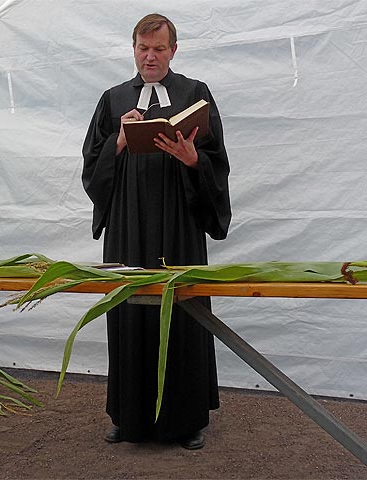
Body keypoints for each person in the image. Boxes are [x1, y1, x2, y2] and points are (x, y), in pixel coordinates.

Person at [82, 13, 231, 450]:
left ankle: (187, 421)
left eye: (159, 49)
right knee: (129, 314)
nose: (151, 56)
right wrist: (121, 141)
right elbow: (92, 168)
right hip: (128, 228)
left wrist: (192, 160)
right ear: (133, 49)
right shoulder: (112, 100)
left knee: (183, 316)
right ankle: (128, 417)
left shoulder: (195, 94)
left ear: (173, 51)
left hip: (179, 227)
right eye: (143, 48)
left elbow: (216, 161)